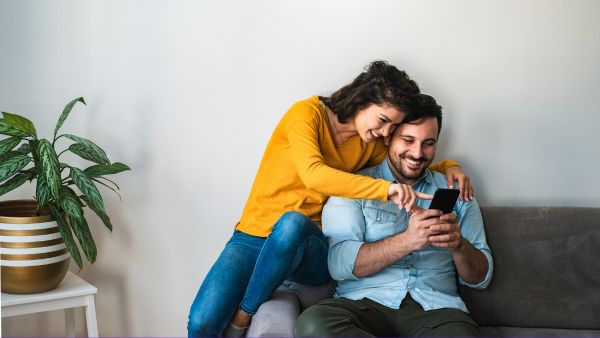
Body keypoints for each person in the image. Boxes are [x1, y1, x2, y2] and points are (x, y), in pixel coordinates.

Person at [187, 61, 474, 337]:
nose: (385, 132)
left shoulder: (370, 143)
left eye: (392, 126)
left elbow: (407, 160)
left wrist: (449, 166)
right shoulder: (306, 114)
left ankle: (243, 316)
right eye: (384, 120)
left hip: (307, 244)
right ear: (362, 100)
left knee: (292, 225)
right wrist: (385, 190)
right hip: (254, 233)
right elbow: (314, 174)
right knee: (200, 323)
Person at [294, 94, 493, 337]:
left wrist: (459, 245)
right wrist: (407, 241)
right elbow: (338, 264)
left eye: (428, 143)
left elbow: (481, 278)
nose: (417, 153)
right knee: (313, 325)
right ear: (388, 137)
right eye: (408, 140)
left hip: (438, 312)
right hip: (362, 306)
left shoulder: (457, 190)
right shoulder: (354, 187)